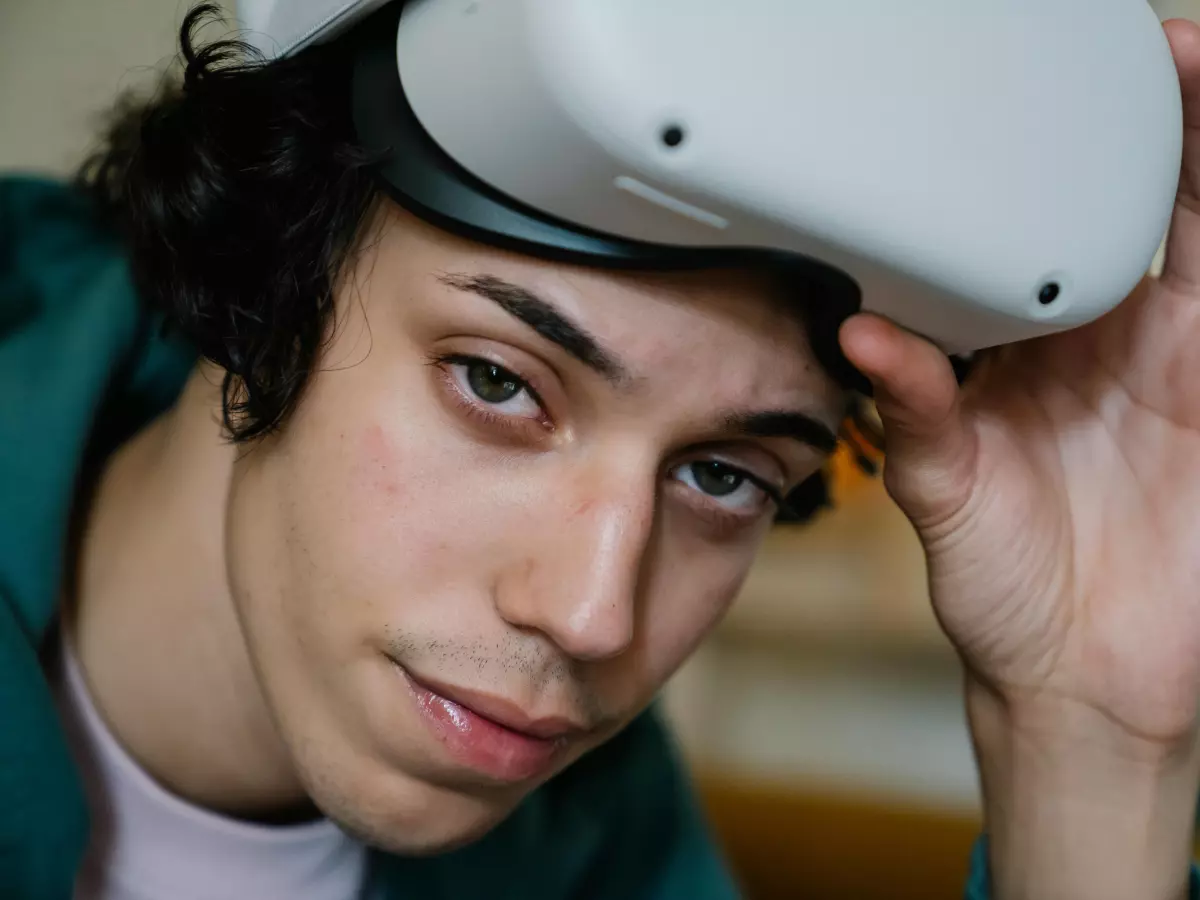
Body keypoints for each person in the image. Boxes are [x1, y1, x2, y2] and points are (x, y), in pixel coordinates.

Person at [3, 3, 1200, 898]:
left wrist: (1089, 746)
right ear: (258, 275)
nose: (591, 615)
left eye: (722, 474)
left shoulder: (601, 846)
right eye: (498, 383)